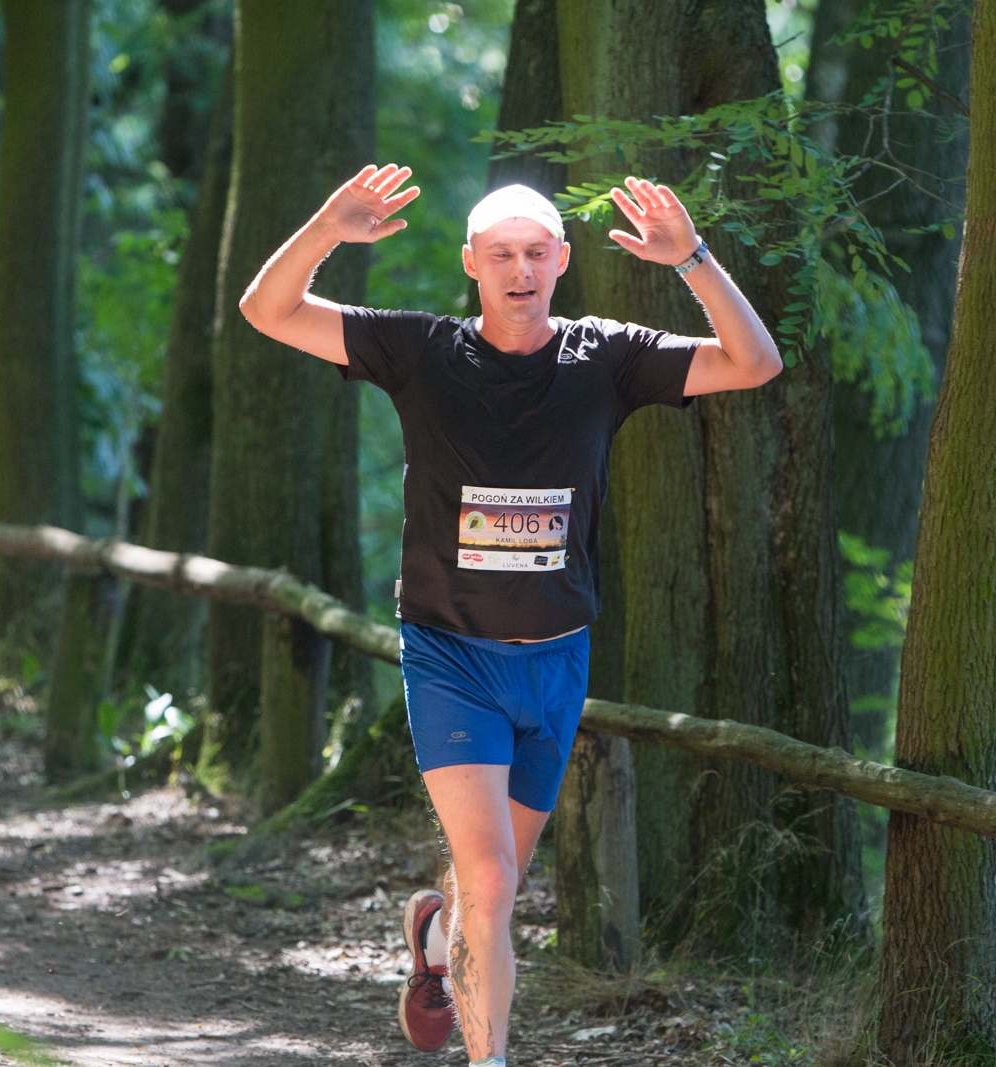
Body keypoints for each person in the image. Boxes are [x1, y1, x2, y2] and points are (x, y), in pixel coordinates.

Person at [238, 163, 782, 1067]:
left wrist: (692, 261)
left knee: (493, 886)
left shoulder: (607, 356)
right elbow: (268, 309)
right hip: (451, 655)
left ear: (562, 260)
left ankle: (433, 938)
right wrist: (328, 227)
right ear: (472, 265)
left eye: (535, 253)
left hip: (557, 659)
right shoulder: (420, 351)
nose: (520, 270)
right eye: (501, 255)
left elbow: (754, 363)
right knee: (492, 876)